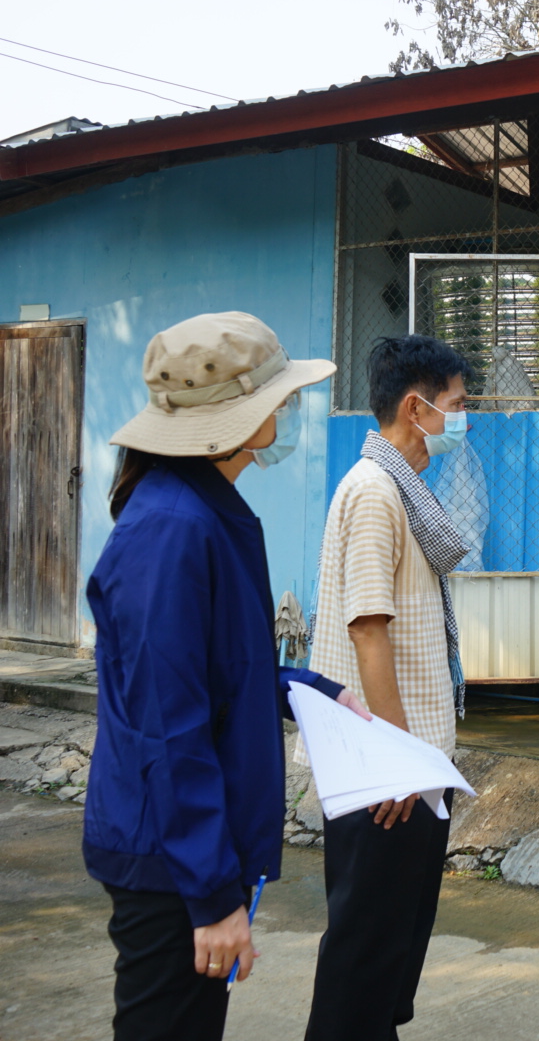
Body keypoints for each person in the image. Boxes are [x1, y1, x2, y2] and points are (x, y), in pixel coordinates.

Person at [83, 312, 366, 1041]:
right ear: (238, 417)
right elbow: (166, 728)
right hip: (170, 859)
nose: (287, 409)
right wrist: (211, 899)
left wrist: (307, 689)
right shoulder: (172, 530)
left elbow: (215, 670)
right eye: (279, 397)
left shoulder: (201, 510)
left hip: (186, 848)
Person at [302, 334, 472, 1041]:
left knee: (389, 945)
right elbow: (369, 629)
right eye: (457, 404)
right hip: (386, 768)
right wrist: (399, 758)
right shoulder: (375, 493)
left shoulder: (400, 487)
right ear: (417, 406)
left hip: (406, 762)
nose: (463, 418)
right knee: (367, 947)